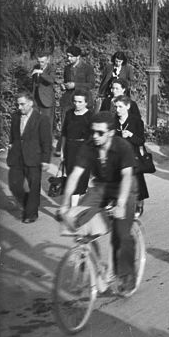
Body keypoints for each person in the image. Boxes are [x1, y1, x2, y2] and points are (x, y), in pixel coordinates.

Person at [57, 112, 138, 293]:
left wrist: (121, 204)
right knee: (79, 222)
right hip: (101, 187)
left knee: (121, 234)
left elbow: (126, 177)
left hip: (124, 189)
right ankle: (95, 268)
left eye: (100, 133)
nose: (95, 136)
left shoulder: (123, 147)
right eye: (93, 132)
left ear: (110, 133)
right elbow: (75, 175)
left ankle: (126, 275)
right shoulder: (89, 146)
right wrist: (65, 205)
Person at [7, 92, 53, 223]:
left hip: (34, 157)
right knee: (14, 185)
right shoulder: (15, 116)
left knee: (33, 186)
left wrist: (45, 160)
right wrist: (11, 144)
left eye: (22, 104)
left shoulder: (41, 119)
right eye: (18, 104)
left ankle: (31, 213)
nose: (19, 107)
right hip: (17, 156)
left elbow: (46, 141)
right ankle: (29, 204)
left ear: (30, 103)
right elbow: (13, 134)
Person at [112, 95, 151, 215]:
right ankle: (120, 204)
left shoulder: (136, 121)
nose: (118, 110)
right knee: (118, 180)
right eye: (116, 107)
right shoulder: (113, 121)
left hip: (133, 156)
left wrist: (130, 135)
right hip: (119, 156)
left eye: (120, 107)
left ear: (128, 106)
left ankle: (139, 203)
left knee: (137, 180)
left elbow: (141, 141)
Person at [56, 90, 94, 207]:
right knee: (72, 178)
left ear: (86, 103)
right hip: (70, 149)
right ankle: (74, 208)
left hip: (84, 150)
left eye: (80, 102)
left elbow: (93, 136)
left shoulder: (91, 116)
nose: (76, 104)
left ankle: (80, 201)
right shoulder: (69, 113)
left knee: (82, 180)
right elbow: (64, 134)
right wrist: (62, 151)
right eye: (75, 101)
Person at [60, 45, 96, 124]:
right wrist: (64, 86)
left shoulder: (88, 68)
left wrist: (75, 85)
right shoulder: (67, 68)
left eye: (71, 56)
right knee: (66, 123)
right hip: (69, 100)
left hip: (82, 100)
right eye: (68, 56)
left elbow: (91, 84)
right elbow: (66, 82)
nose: (68, 58)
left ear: (78, 56)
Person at [30, 51, 57, 123]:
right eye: (38, 61)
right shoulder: (35, 67)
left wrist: (41, 72)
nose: (40, 64)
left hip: (46, 100)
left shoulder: (51, 68)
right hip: (35, 100)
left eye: (42, 62)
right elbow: (33, 83)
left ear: (48, 60)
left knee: (47, 123)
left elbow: (51, 80)